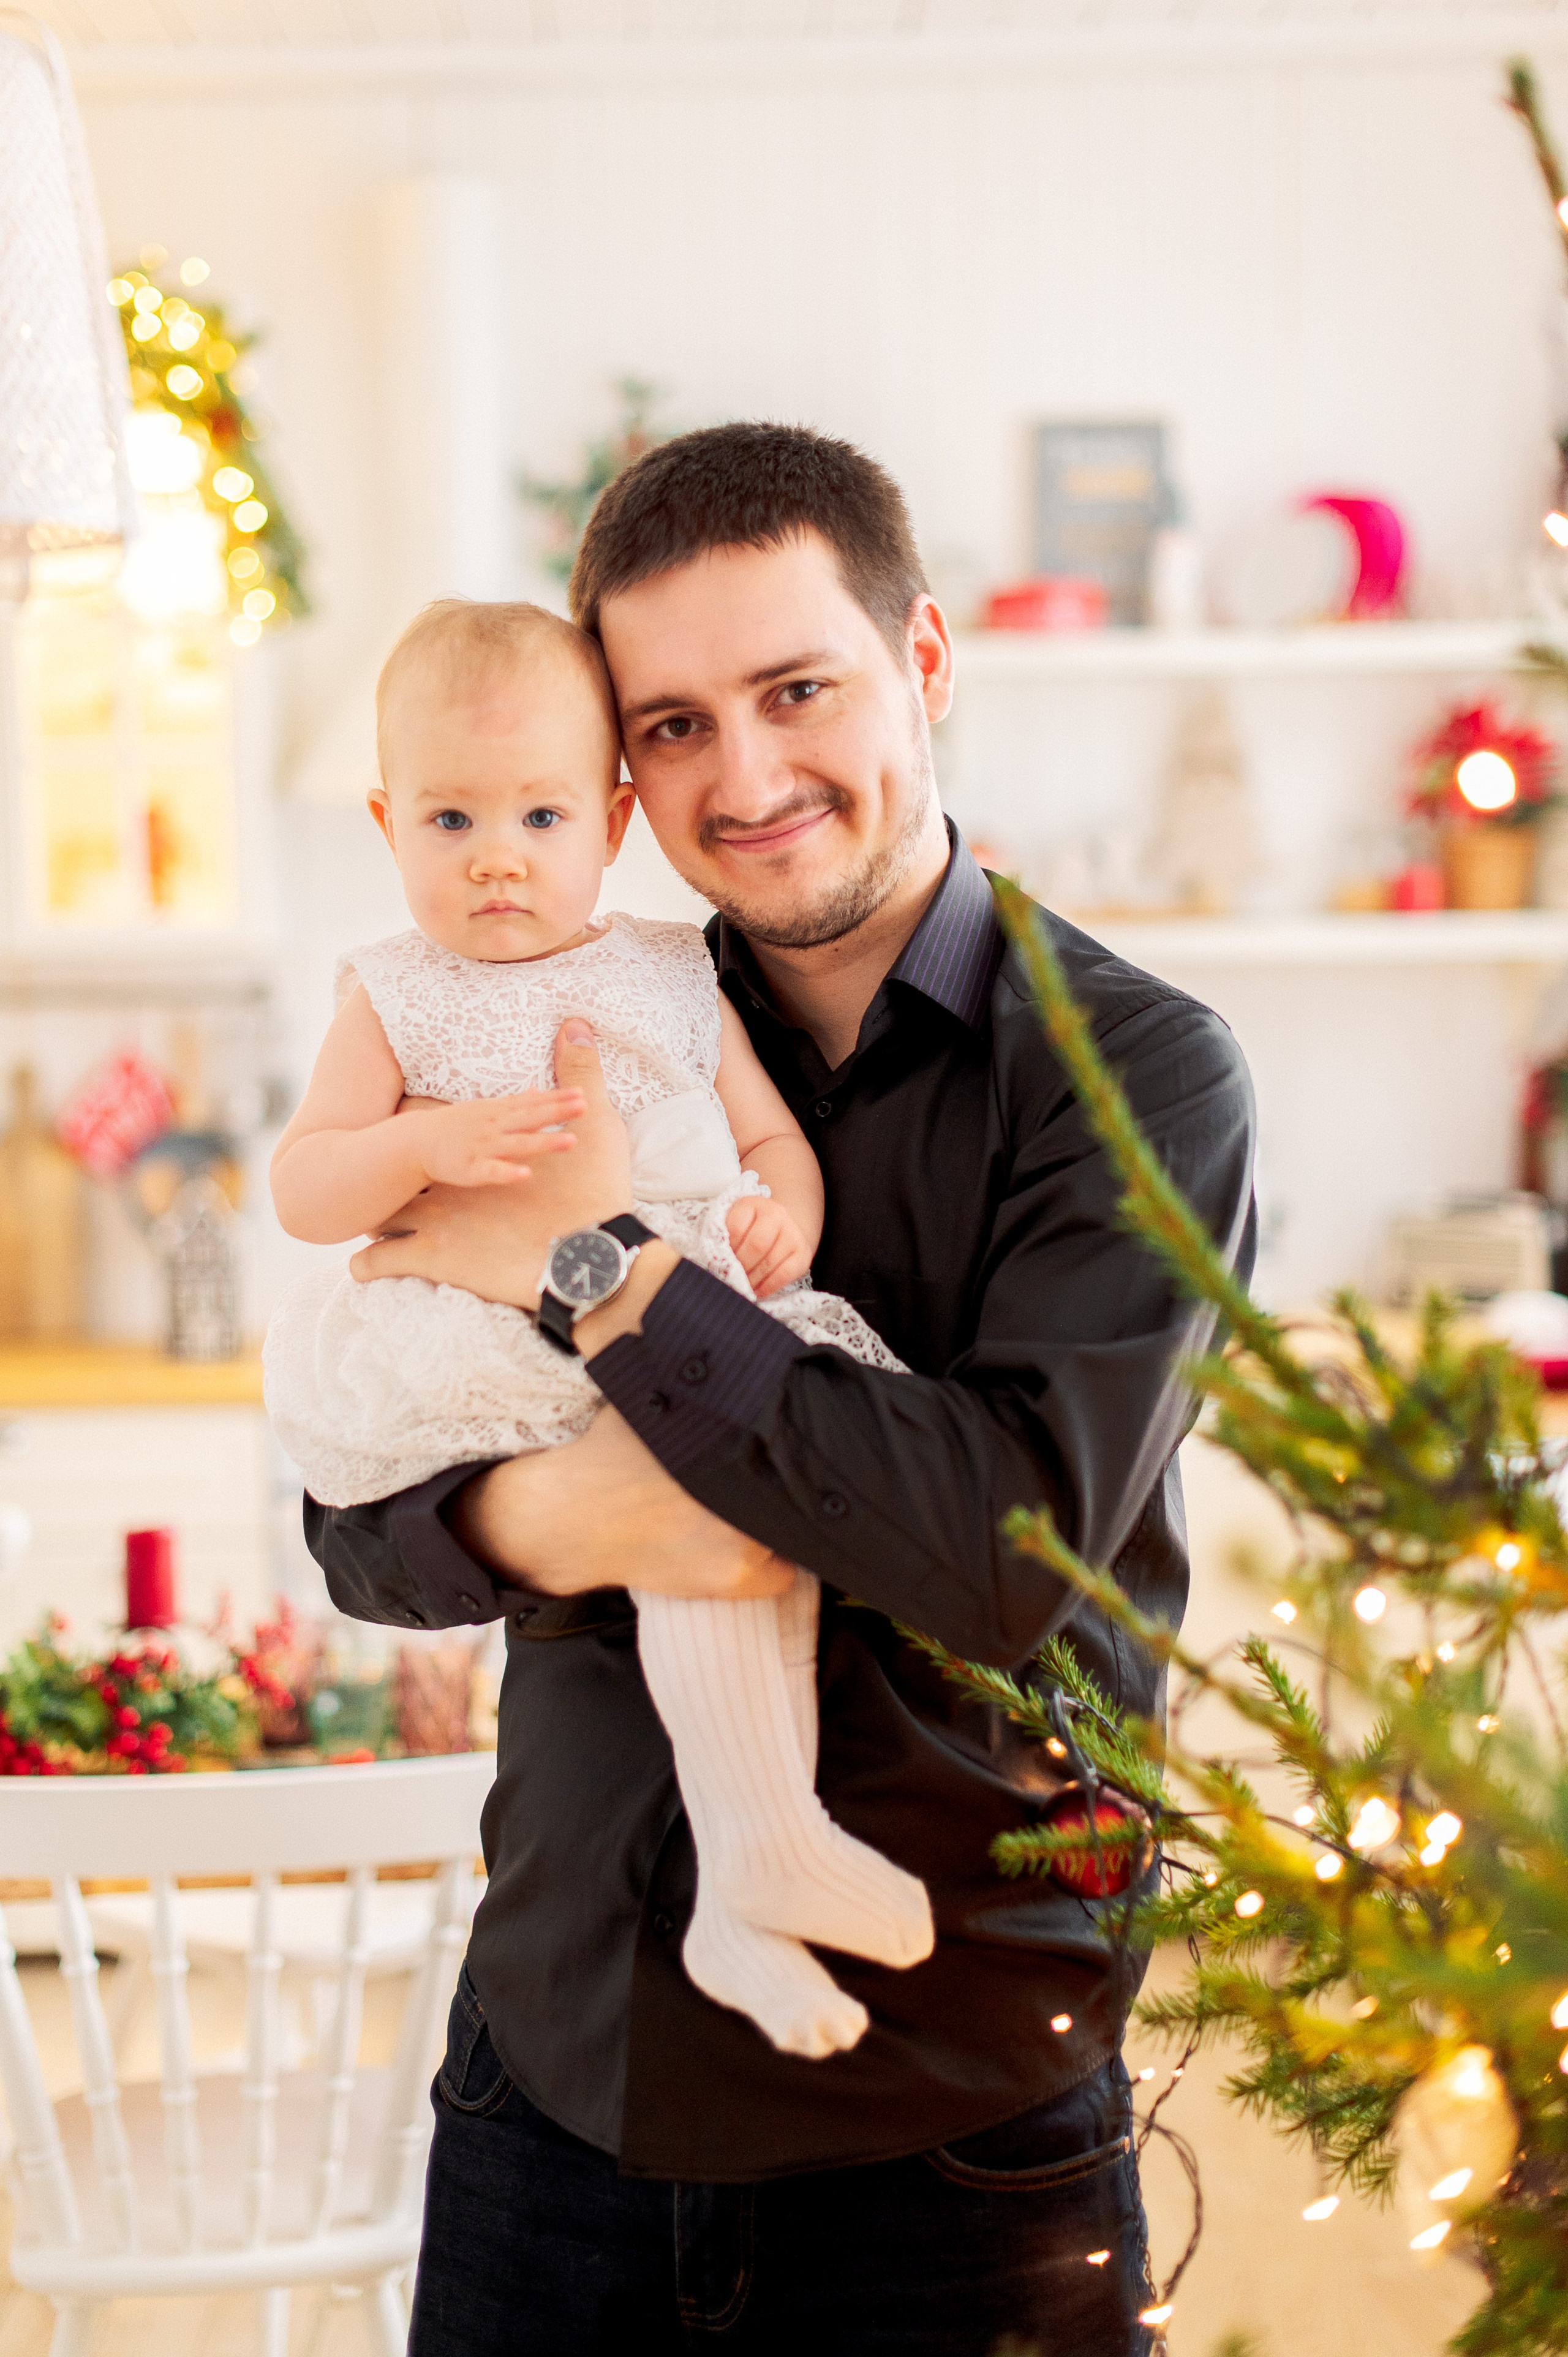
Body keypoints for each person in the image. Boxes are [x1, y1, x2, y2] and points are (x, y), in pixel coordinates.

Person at [306, 422, 1257, 2355]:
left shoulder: (1137, 1078)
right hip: (555, 2072)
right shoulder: (580, 1017)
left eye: (797, 690)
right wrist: (561, 1508)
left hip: (951, 2123)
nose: (742, 777)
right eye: (670, 725)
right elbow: (358, 1529)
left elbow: (1005, 1557)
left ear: (921, 663)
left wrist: (593, 1269)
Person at [265, 597, 932, 2061]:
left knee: (760, 1534)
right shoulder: (396, 990)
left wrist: (781, 1221)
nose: (495, 853)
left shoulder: (666, 968)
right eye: (448, 816)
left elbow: (766, 1138)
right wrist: (422, 1149)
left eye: (540, 813)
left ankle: (759, 1859)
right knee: (684, 1526)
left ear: (614, 819)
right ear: (387, 823)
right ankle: (758, 1853)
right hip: (495, 1339)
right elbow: (308, 1182)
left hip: (684, 1298)